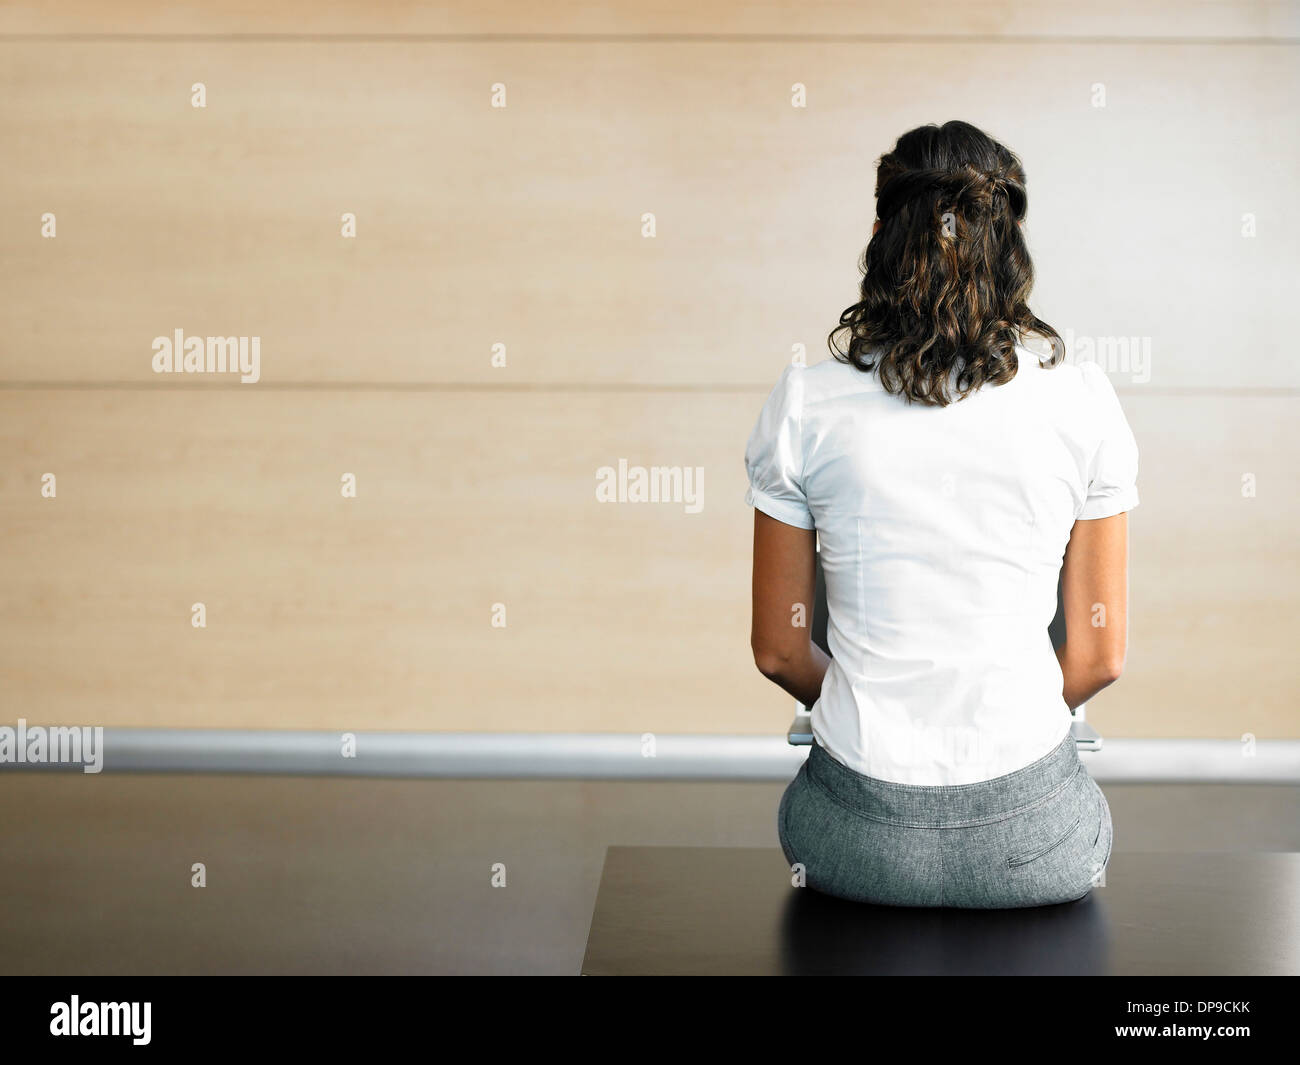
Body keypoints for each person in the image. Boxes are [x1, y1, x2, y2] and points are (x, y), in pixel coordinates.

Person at [745, 120, 1137, 908]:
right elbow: (1098, 657)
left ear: (884, 236)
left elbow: (780, 650)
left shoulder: (806, 402)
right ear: (1010, 245)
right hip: (1036, 843)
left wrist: (869, 705)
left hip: (851, 839)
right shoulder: (1083, 401)